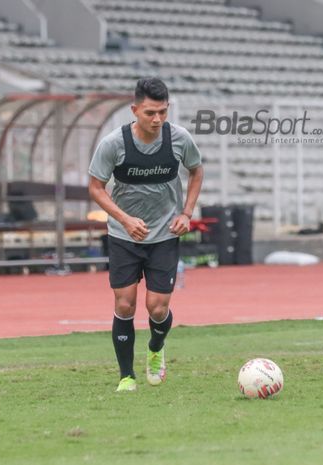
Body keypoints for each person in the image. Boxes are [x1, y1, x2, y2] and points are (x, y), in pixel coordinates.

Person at [88, 77, 204, 392]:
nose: (157, 119)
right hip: (125, 237)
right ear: (135, 109)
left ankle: (155, 347)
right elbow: (96, 187)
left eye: (163, 112)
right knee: (125, 304)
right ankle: (126, 376)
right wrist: (124, 219)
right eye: (150, 112)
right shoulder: (114, 143)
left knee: (158, 308)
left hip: (164, 235)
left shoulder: (179, 139)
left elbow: (196, 170)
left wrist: (186, 213)